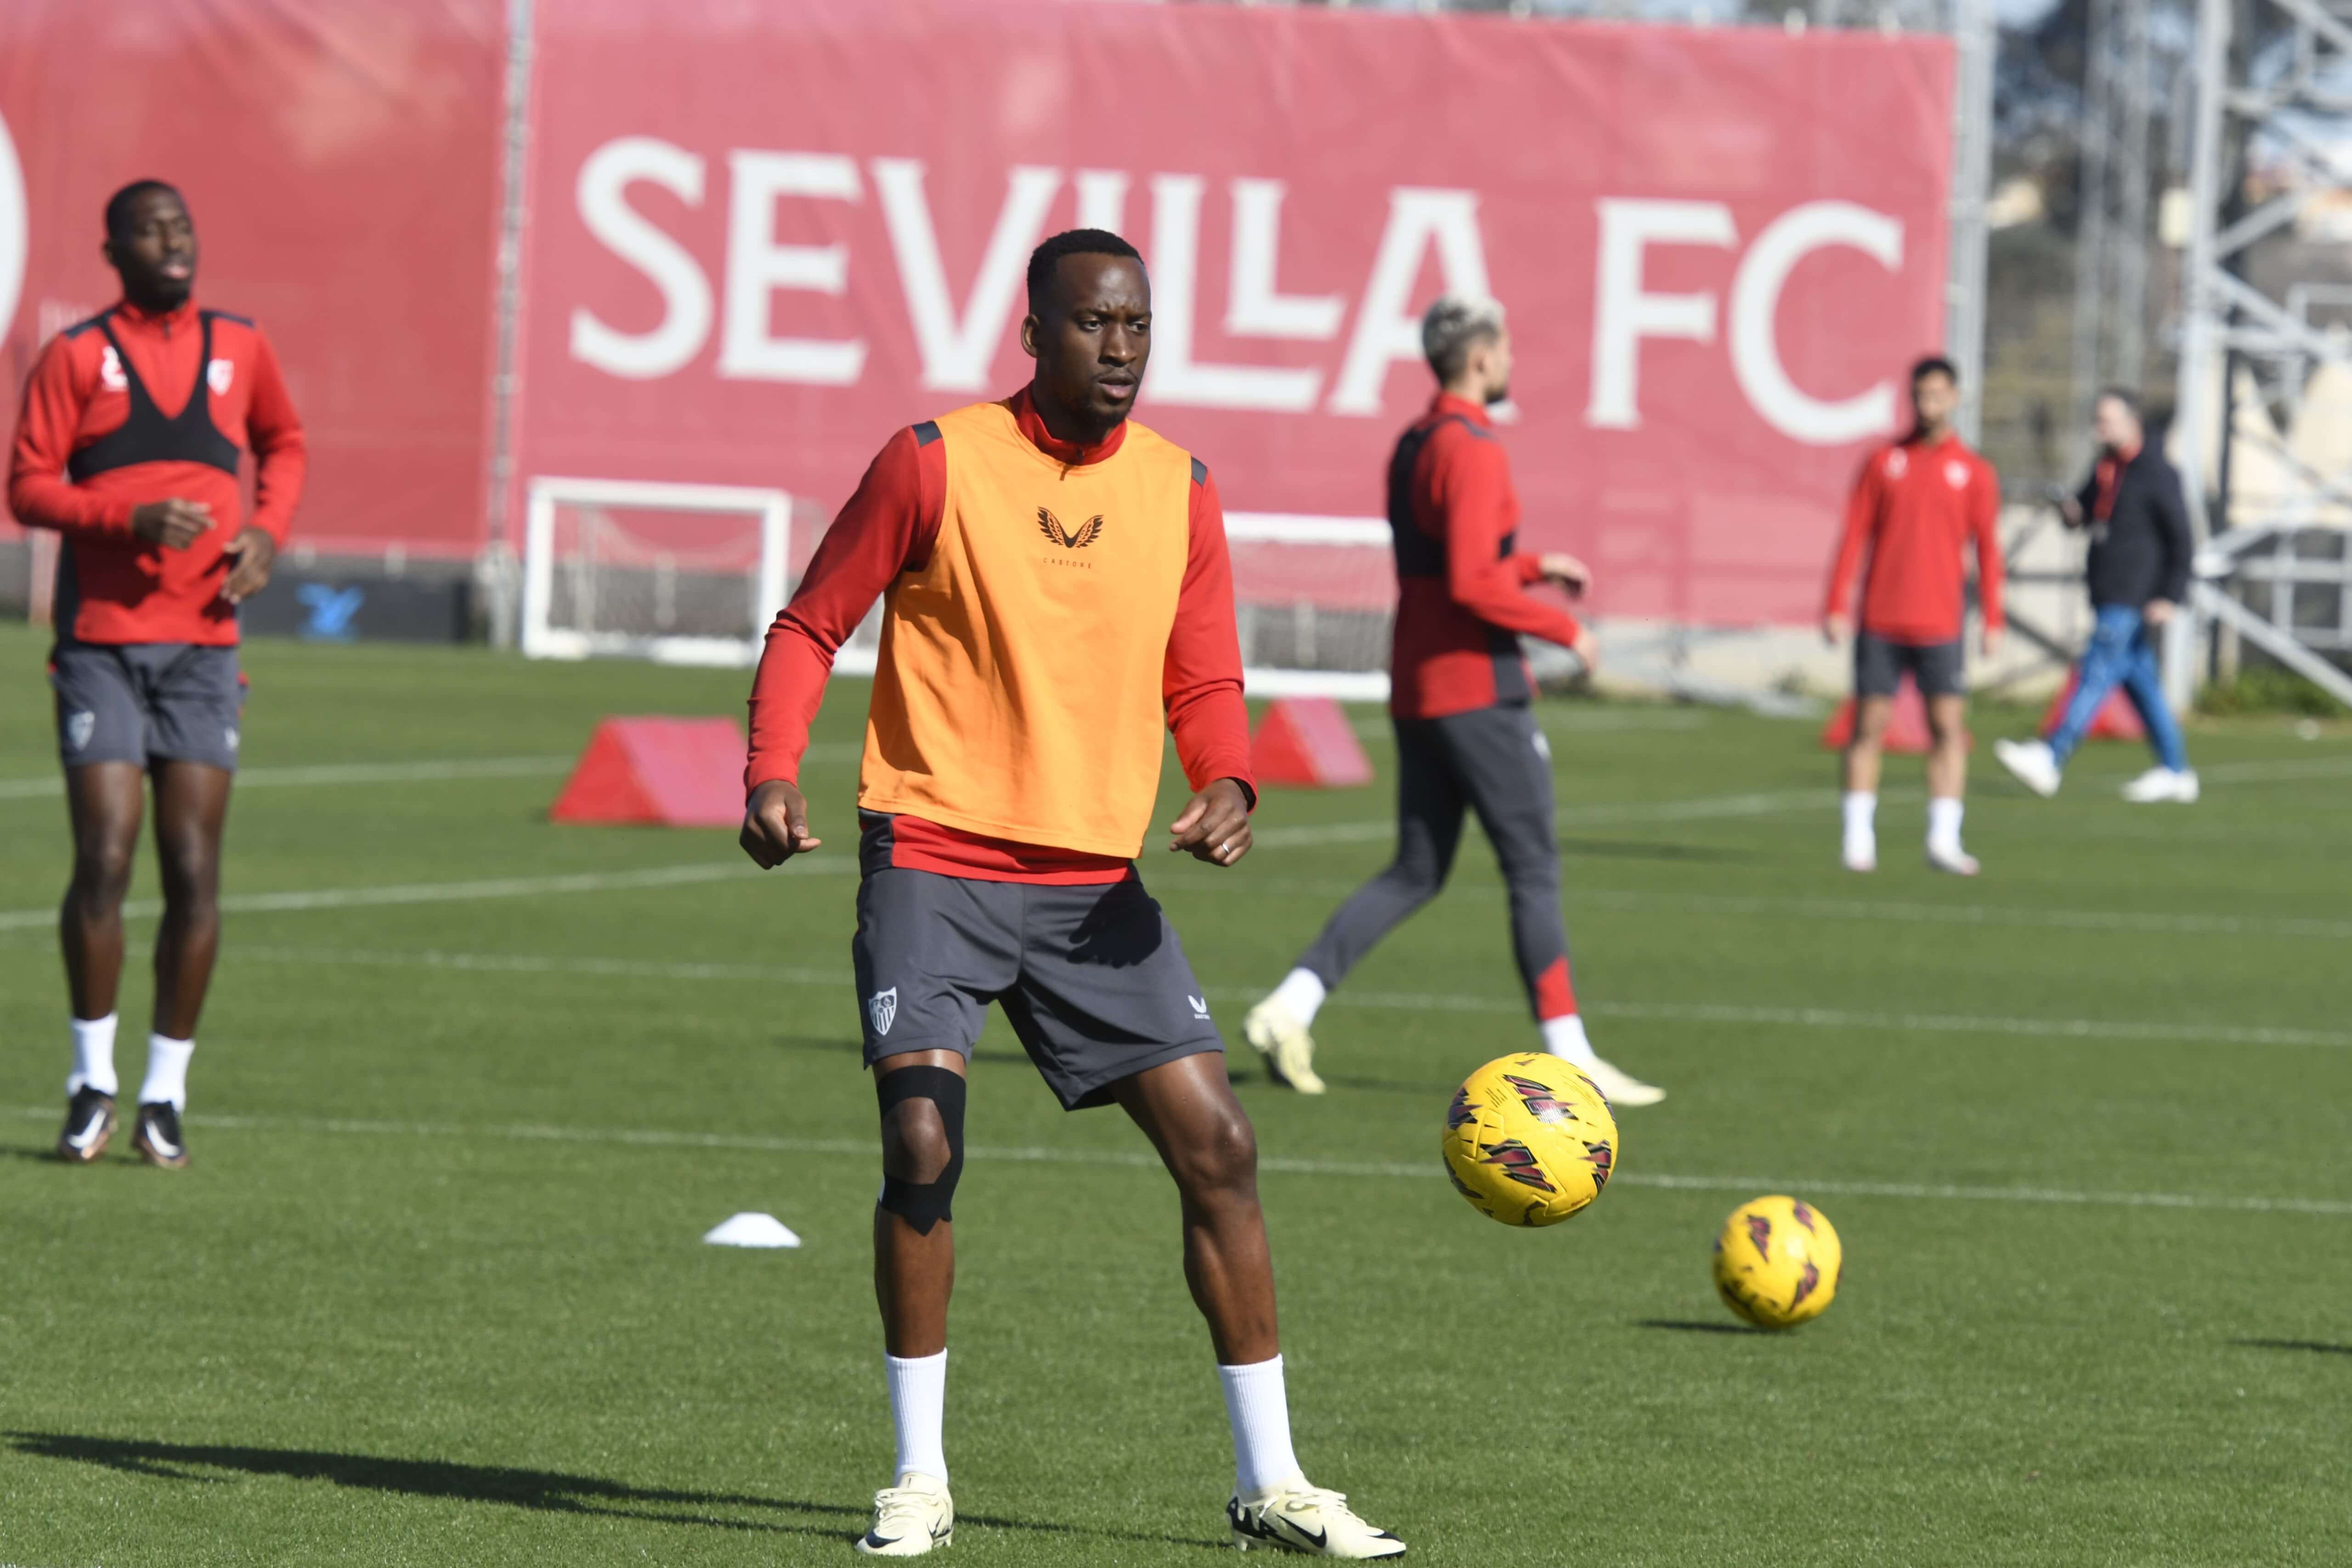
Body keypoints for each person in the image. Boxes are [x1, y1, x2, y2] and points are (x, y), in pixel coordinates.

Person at [738, 230, 1404, 1559]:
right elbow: (812, 622)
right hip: (933, 855)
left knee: (1220, 1144)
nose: (1121, 349)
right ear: (1034, 331)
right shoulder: (931, 459)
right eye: (1096, 324)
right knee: (922, 1142)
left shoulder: (1181, 489)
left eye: (1140, 327)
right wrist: (769, 772)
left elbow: (1205, 676)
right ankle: (919, 1476)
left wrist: (1230, 779)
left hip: (1094, 889)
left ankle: (1273, 1479)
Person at [1242, 294, 1663, 1109]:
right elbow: (1472, 582)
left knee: (1417, 869)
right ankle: (1572, 1056)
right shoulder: (1473, 448)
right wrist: (1561, 628)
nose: (1509, 359)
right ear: (1480, 357)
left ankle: (1289, 1004)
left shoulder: (1416, 440)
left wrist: (1534, 565)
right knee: (1534, 868)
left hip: (1421, 683)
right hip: (1478, 689)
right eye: (1503, 347)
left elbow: (1448, 565)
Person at [7, 181, 305, 1169]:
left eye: (183, 222)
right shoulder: (77, 355)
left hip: (205, 649)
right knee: (104, 856)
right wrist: (121, 518)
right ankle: (91, 1080)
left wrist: (266, 530)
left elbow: (284, 443)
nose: (173, 238)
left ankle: (164, 1092)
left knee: (193, 868)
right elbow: (28, 482)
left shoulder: (242, 345)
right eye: (151, 227)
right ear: (113, 248)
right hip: (100, 643)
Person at [1820, 356, 2005, 875]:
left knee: (1947, 726)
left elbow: (1987, 548)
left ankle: (1942, 839)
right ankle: (1858, 838)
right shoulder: (1883, 462)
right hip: (1881, 616)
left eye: (1938, 395)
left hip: (1939, 622)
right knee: (1869, 725)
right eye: (1920, 395)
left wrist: (1992, 616)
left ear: (1955, 398)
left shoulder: (1972, 471)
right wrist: (1836, 602)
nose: (1928, 405)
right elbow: (1854, 533)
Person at [1996, 389, 2198, 803]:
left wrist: (2170, 595)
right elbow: (2085, 515)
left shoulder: (2158, 472)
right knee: (2143, 685)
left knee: (2095, 672)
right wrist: (2068, 509)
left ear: (2132, 421)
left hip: (2133, 594)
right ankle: (2176, 771)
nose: (2098, 429)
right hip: (2105, 589)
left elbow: (2182, 540)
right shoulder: (2107, 466)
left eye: (2106, 420)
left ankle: (2052, 755)